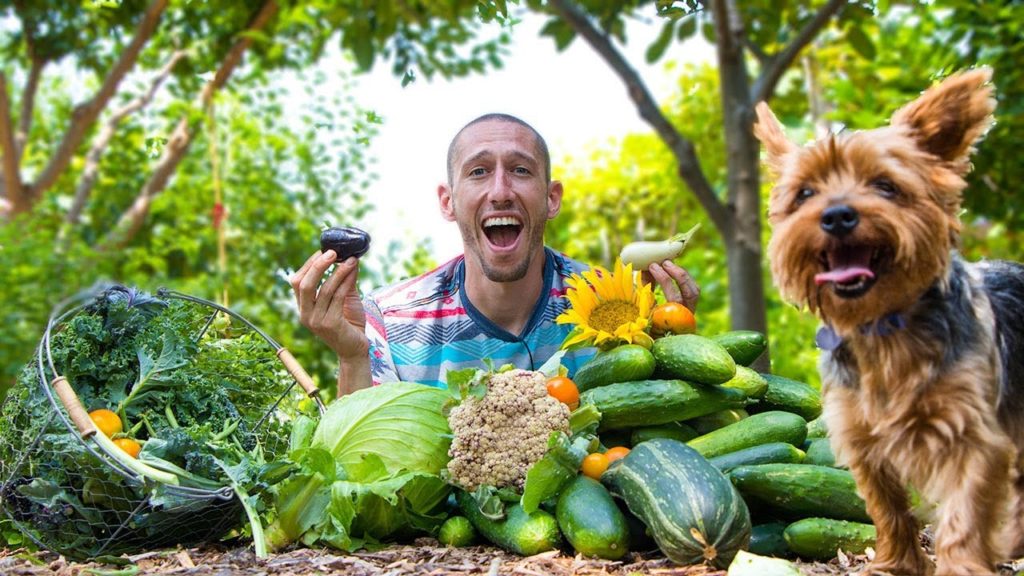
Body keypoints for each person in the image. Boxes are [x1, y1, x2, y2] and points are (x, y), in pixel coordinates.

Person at [291, 113, 699, 396]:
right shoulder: (387, 321)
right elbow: (364, 467)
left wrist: (668, 348)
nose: (501, 192)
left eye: (521, 170)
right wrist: (352, 356)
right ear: (448, 202)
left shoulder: (620, 310)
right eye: (478, 172)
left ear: (551, 199)